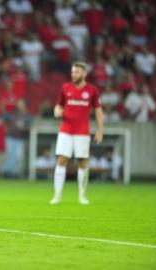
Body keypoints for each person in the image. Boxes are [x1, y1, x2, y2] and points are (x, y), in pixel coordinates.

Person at [50, 61, 104, 205]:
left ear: (84, 74)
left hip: (82, 132)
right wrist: (57, 111)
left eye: (77, 72)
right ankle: (57, 195)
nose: (74, 74)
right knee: (61, 160)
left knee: (83, 162)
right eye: (73, 72)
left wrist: (100, 130)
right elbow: (58, 106)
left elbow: (98, 111)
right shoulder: (65, 87)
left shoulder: (92, 90)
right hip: (66, 130)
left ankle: (82, 195)